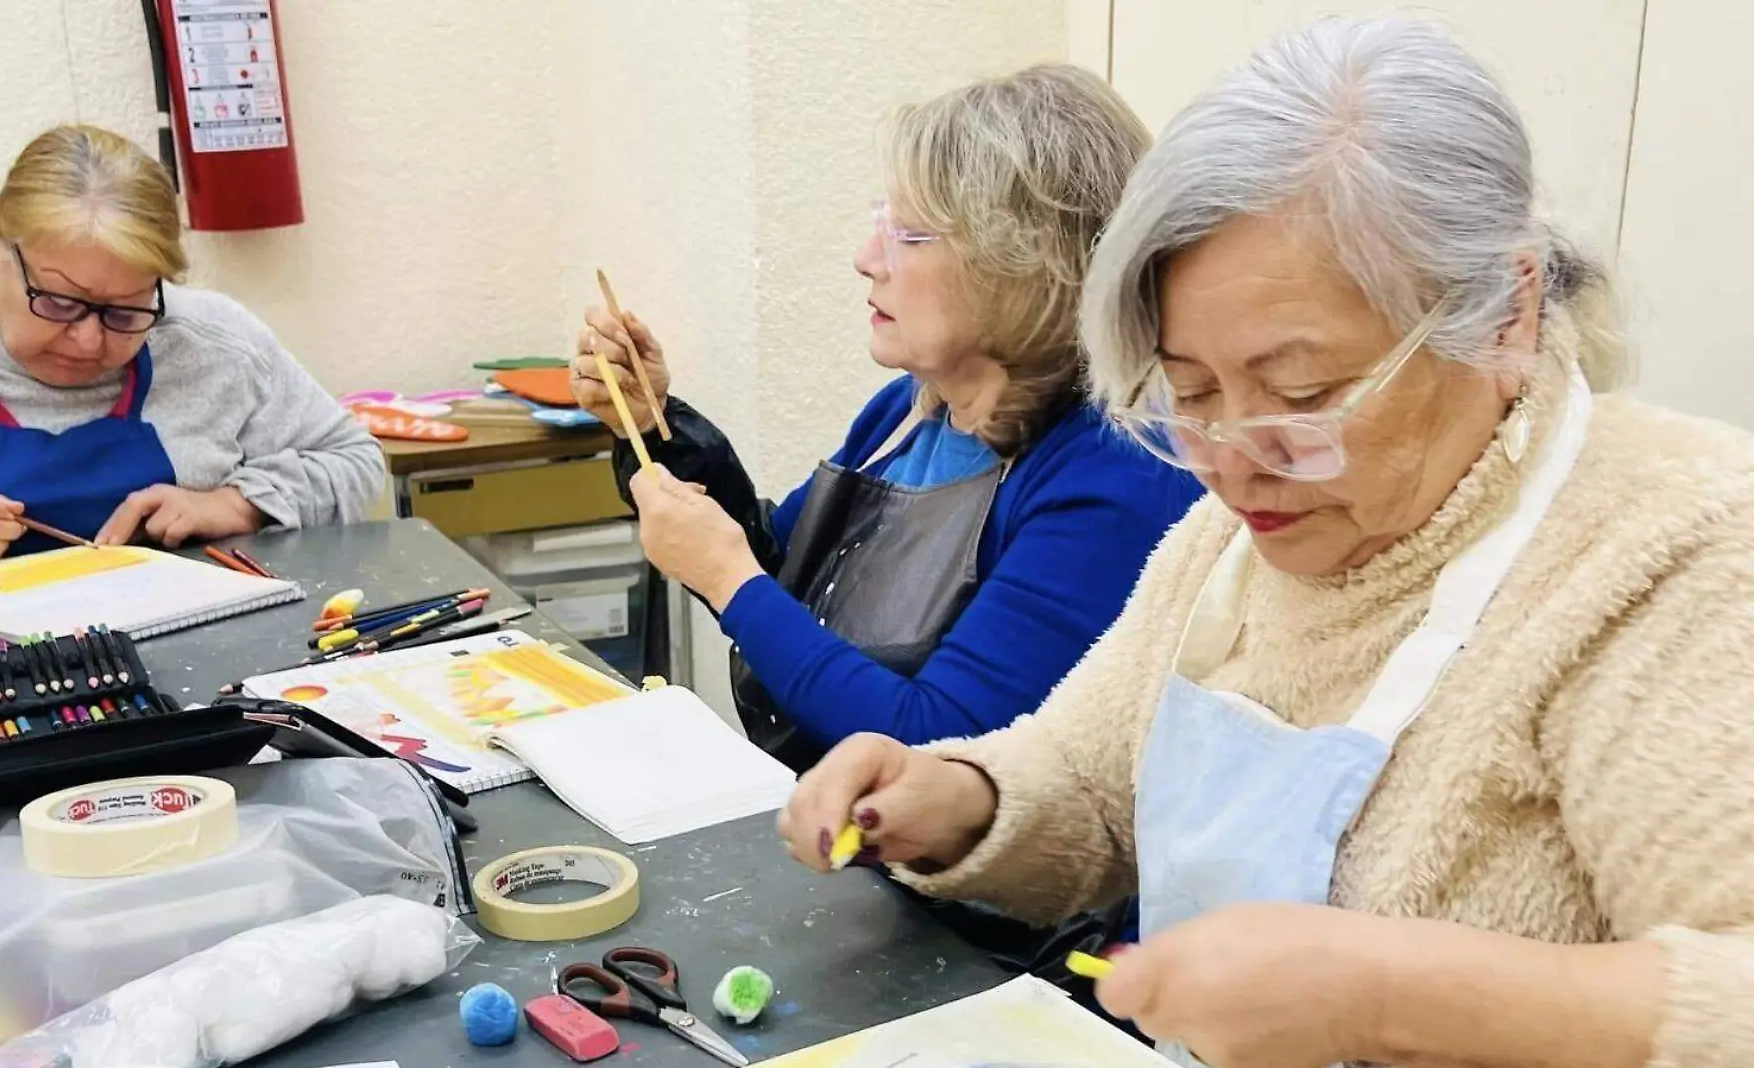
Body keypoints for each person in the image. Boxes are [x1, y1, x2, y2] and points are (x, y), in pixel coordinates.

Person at [781, 17, 1754, 1068]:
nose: (1230, 461)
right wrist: (961, 802)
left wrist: (1391, 998)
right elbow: (1092, 781)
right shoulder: (1231, 538)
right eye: (1188, 393)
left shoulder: (1675, 548)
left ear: (1505, 313)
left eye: (1303, 393)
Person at [573, 65, 1201, 771]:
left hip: (955, 875)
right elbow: (785, 577)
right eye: (881, 224)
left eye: (909, 233)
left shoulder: (1121, 474)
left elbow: (936, 747)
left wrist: (726, 578)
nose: (865, 259)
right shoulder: (913, 413)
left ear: (1023, 263)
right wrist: (659, 426)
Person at [0, 125, 383, 564]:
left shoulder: (216, 347)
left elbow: (354, 461)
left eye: (125, 310)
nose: (88, 340)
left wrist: (237, 505)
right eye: (58, 302)